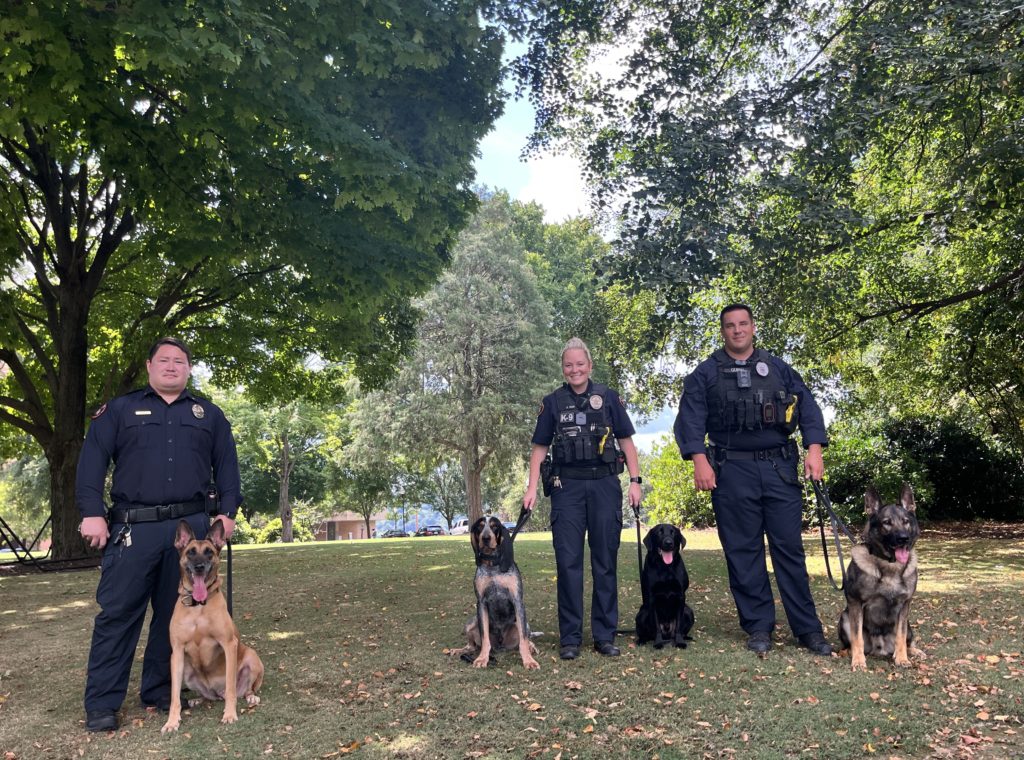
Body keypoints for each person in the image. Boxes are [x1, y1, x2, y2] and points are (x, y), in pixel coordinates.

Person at [77, 337, 243, 731]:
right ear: (150, 365)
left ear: (189, 369)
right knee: (118, 614)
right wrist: (91, 513)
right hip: (133, 529)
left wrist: (228, 512)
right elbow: (91, 463)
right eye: (164, 360)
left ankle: (158, 691)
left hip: (189, 532)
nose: (172, 366)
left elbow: (228, 466)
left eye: (180, 361)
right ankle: (102, 704)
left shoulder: (210, 415)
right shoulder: (118, 410)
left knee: (174, 614)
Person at [674, 304, 832, 656]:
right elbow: (689, 420)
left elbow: (808, 407)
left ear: (753, 327)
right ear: (722, 331)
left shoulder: (777, 368)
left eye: (743, 323)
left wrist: (815, 449)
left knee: (789, 550)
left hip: (778, 468)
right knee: (743, 553)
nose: (737, 330)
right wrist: (699, 459)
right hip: (731, 472)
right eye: (730, 325)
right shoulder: (706, 374)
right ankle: (758, 626)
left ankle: (807, 630)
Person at [524, 338, 643, 660]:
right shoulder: (552, 403)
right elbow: (539, 448)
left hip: (605, 485)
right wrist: (532, 487)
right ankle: (571, 638)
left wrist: (635, 481)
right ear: (563, 369)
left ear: (590, 366)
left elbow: (626, 441)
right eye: (568, 365)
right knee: (568, 564)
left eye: (580, 364)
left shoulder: (607, 398)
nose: (574, 369)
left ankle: (604, 636)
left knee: (605, 562)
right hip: (567, 490)